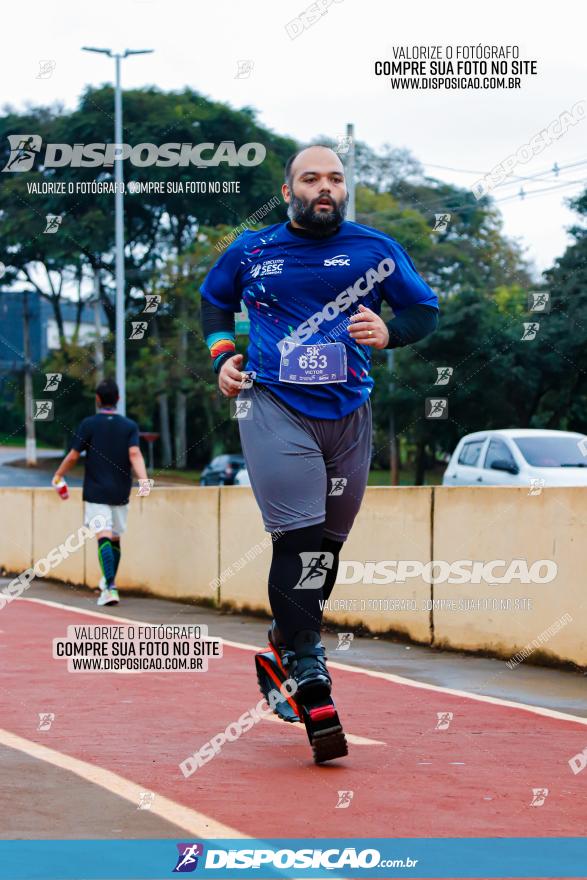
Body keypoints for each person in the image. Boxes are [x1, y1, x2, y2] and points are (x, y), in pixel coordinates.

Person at [200, 144, 439, 708]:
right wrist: (222, 356)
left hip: (350, 411)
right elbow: (214, 301)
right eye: (311, 179)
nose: (324, 187)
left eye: (334, 178)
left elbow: (423, 309)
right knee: (299, 538)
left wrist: (390, 333)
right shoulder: (253, 250)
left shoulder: (374, 249)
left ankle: (285, 642)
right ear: (288, 192)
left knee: (327, 550)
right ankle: (311, 668)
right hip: (272, 405)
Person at [52, 378, 148, 606]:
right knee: (115, 538)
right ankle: (109, 584)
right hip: (120, 490)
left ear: (97, 399)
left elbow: (74, 455)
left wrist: (58, 475)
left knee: (103, 536)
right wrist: (144, 480)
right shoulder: (129, 426)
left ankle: (110, 588)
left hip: (96, 490)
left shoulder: (89, 424)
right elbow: (135, 454)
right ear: (118, 399)